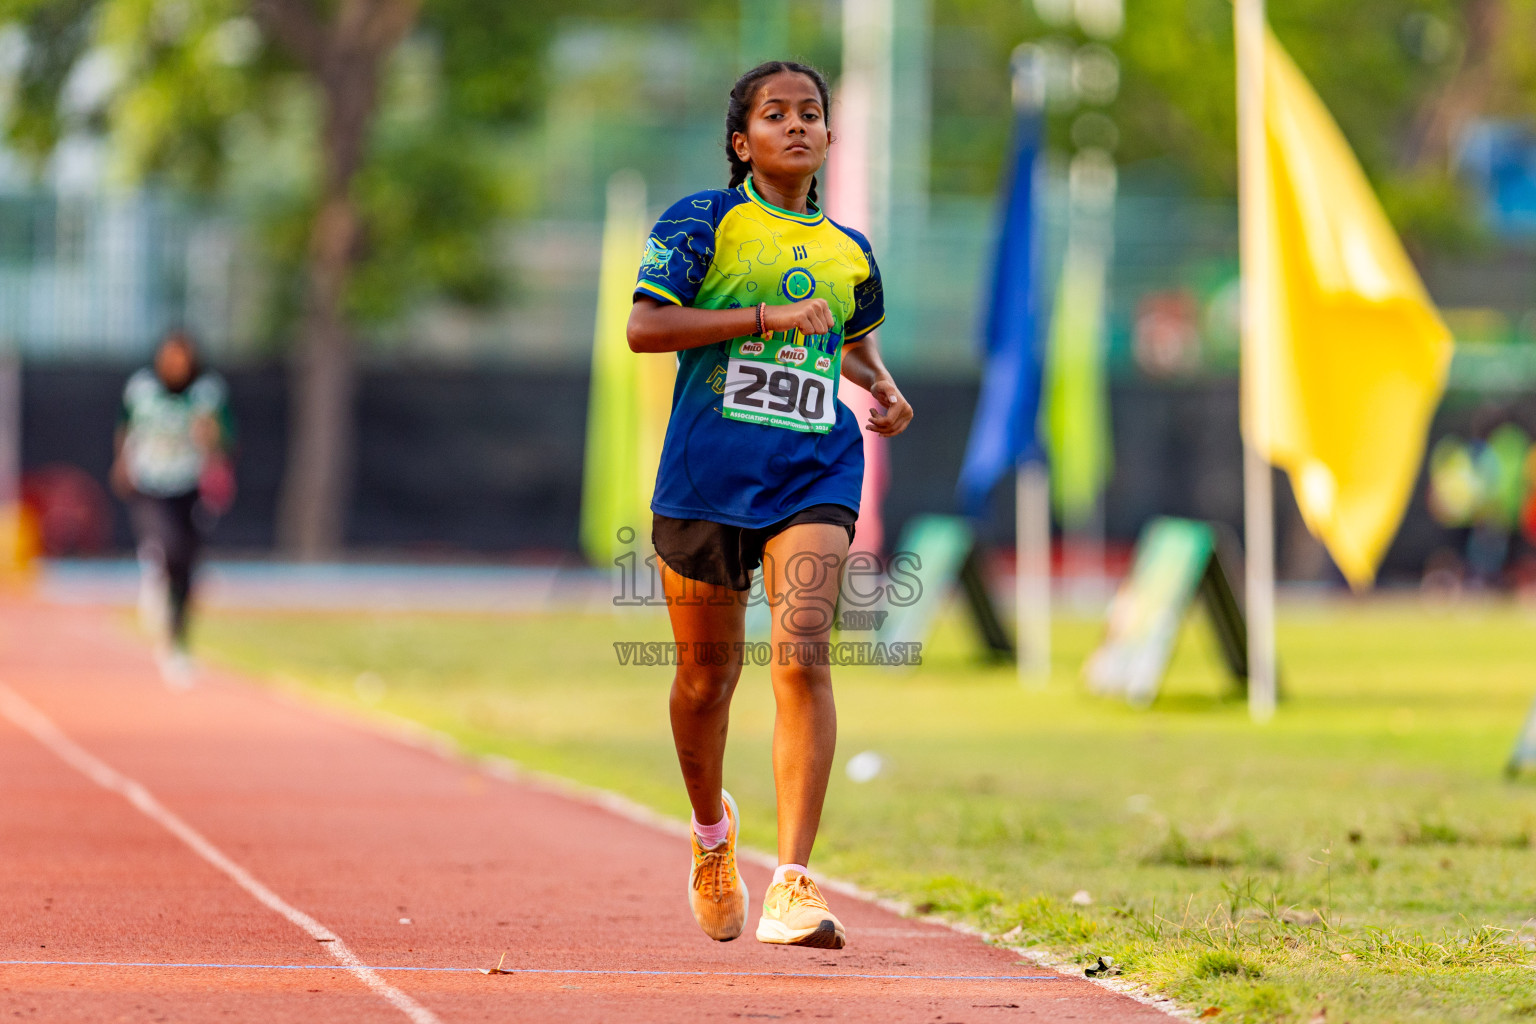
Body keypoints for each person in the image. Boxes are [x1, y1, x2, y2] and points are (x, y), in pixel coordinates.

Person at [627, 61, 913, 949]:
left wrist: (881, 386)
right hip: (708, 476)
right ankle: (713, 834)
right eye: (775, 115)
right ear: (741, 140)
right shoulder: (702, 223)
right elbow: (645, 328)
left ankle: (792, 880)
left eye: (812, 114)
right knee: (706, 680)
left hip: (813, 471)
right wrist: (757, 320)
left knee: (803, 655)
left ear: (830, 138)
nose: (797, 126)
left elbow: (849, 341)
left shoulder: (850, 253)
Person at [111, 329, 234, 688]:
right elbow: (125, 427)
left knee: (186, 563)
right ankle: (154, 572)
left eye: (183, 359)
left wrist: (208, 434)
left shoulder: (207, 392)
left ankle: (177, 643)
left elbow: (223, 437)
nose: (176, 365)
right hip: (150, 481)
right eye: (170, 358)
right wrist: (121, 462)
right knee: (164, 544)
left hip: (190, 483)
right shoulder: (141, 389)